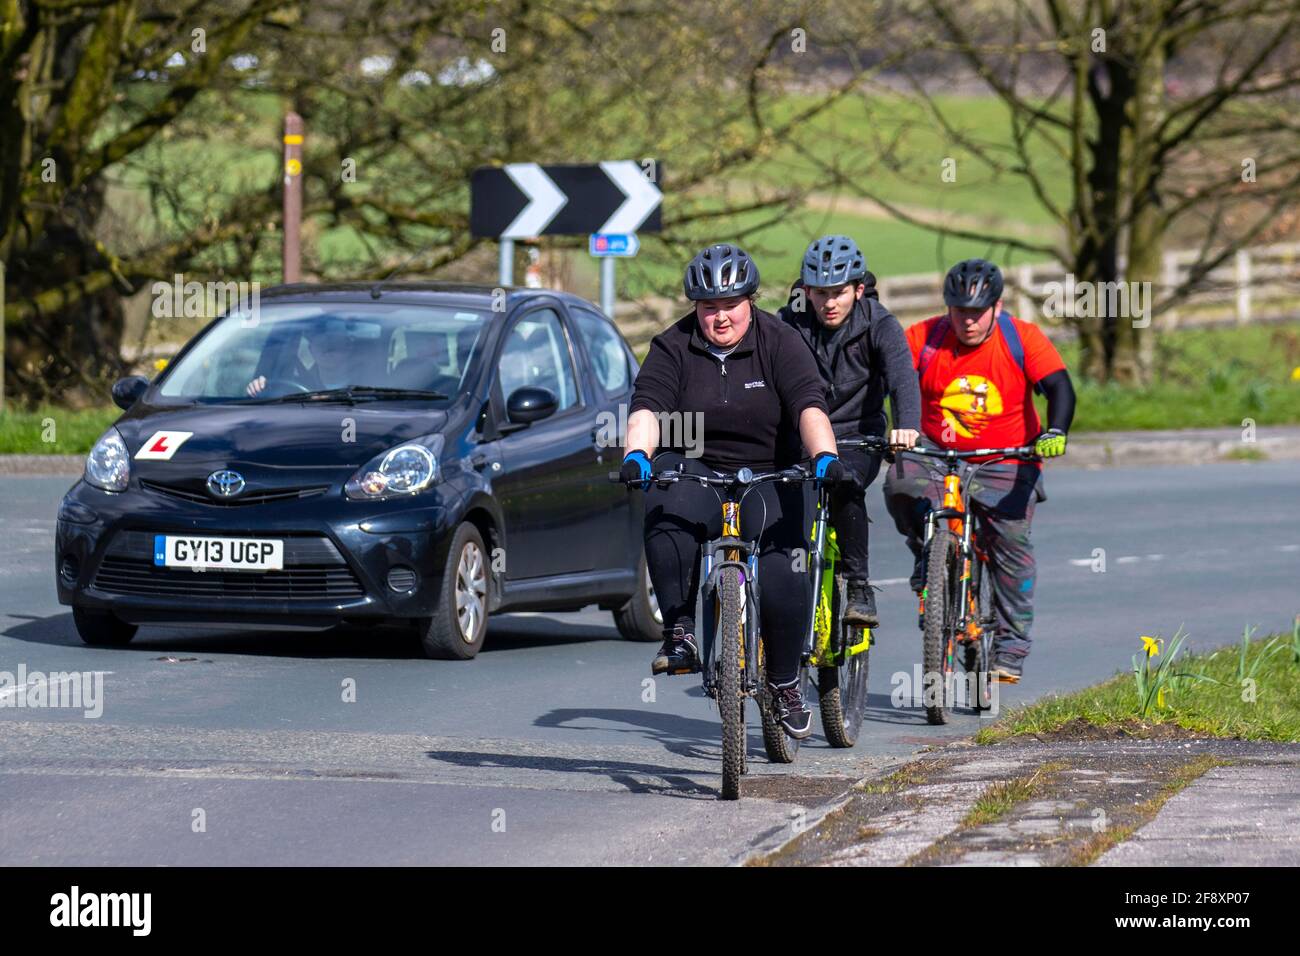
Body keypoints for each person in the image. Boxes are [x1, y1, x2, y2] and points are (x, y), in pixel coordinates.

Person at [620, 243, 853, 738]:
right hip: (701, 467)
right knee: (666, 510)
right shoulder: (672, 345)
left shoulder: (780, 340)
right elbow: (648, 406)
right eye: (708, 308)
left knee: (782, 567)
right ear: (695, 308)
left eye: (730, 305)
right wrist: (636, 456)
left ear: (750, 300)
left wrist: (823, 457)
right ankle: (680, 631)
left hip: (773, 472)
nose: (720, 317)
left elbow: (809, 405)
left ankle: (786, 682)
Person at [883, 258, 1075, 683]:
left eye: (977, 312)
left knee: (1011, 546)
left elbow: (1059, 386)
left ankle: (1010, 648)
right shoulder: (925, 338)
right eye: (960, 311)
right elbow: (890, 382)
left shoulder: (1022, 338)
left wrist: (1057, 429)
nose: (968, 321)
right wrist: (889, 429)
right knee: (899, 482)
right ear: (947, 307)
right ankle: (928, 554)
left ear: (997, 306)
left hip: (1007, 455)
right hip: (935, 450)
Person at [780, 235, 921, 628]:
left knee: (845, 484)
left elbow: (902, 379)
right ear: (806, 291)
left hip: (857, 435)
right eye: (820, 293)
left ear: (858, 289)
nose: (829, 303)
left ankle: (858, 584)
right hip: (801, 436)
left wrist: (907, 427)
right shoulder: (788, 323)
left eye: (839, 293)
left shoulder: (880, 323)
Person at [245, 318, 353, 397]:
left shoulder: (365, 386)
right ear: (311, 350)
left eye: (335, 342)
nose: (328, 347)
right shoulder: (291, 386)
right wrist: (259, 388)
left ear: (348, 346)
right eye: (321, 343)